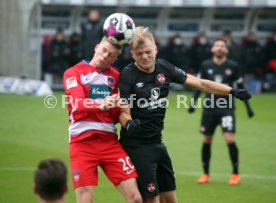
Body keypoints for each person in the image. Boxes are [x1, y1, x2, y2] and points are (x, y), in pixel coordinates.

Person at [118, 27, 251, 203]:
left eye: (148, 51)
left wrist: (231, 91)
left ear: (155, 49)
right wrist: (128, 124)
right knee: (152, 200)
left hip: (157, 143)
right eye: (139, 53)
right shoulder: (127, 76)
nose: (144, 56)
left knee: (171, 200)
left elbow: (201, 83)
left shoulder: (164, 68)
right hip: (137, 147)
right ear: (132, 54)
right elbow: (122, 112)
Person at [63, 37, 142, 203]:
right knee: (85, 200)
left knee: (135, 198)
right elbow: (78, 103)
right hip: (82, 143)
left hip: (109, 143)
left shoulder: (116, 77)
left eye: (111, 55)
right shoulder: (73, 73)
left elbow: (114, 114)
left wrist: (119, 106)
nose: (106, 56)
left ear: (115, 59)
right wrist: (102, 104)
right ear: (97, 47)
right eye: (104, 50)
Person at [188, 38, 254, 185]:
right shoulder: (205, 65)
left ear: (226, 50)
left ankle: (235, 174)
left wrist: (248, 108)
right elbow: (200, 85)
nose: (219, 48)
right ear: (212, 49)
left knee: (229, 139)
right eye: (217, 45)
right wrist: (193, 103)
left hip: (227, 109)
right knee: (206, 140)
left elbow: (240, 88)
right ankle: (205, 174)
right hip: (209, 109)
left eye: (222, 46)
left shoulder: (233, 66)